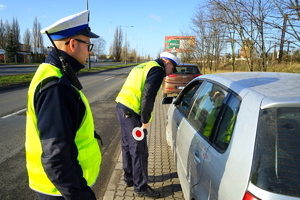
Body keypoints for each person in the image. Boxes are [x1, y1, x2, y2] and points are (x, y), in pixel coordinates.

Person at [25, 10, 102, 200]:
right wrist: (81, 196)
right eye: (88, 44)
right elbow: (56, 158)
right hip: (60, 192)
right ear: (73, 44)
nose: (90, 51)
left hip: (57, 188)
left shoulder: (52, 73)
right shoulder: (57, 87)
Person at [115, 52, 181, 199]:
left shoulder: (144, 65)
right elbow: (148, 96)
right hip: (132, 112)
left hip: (121, 107)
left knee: (127, 145)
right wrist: (145, 119)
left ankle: (129, 178)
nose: (171, 73)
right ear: (167, 62)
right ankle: (140, 187)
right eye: (173, 68)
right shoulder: (157, 70)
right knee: (139, 150)